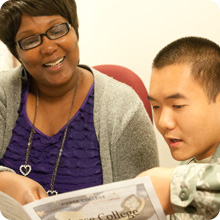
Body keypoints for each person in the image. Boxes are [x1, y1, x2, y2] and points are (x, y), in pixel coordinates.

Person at [0, 0, 159, 205]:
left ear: (75, 30)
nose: (48, 48)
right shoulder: (4, 93)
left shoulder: (123, 107)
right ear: (16, 53)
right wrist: (5, 181)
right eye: (30, 40)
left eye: (57, 30)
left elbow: (143, 207)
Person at [138, 36, 220, 219]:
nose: (163, 122)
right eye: (156, 107)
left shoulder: (178, 179)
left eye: (177, 106)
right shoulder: (189, 166)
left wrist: (173, 184)